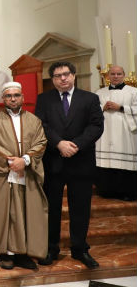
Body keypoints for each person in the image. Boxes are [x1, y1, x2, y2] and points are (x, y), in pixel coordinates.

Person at [35, 61, 104, 269]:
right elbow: (41, 125)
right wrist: (58, 143)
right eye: (57, 76)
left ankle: (80, 249)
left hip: (81, 161)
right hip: (53, 162)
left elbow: (96, 125)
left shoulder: (90, 98)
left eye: (66, 74)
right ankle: (50, 248)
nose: (62, 78)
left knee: (81, 208)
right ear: (53, 79)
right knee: (52, 208)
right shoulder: (44, 99)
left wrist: (76, 145)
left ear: (74, 75)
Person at [0, 81, 48, 270]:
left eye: (16, 95)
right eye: (8, 96)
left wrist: (26, 160)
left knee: (26, 212)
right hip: (4, 174)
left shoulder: (33, 120)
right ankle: (6, 253)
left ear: (23, 97)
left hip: (27, 173)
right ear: (3, 99)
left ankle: (23, 254)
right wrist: (12, 162)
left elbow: (41, 141)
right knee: (6, 213)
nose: (13, 99)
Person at [95, 65, 137, 201]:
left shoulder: (133, 92)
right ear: (108, 76)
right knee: (106, 163)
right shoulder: (99, 93)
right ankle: (107, 190)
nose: (116, 76)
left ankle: (127, 192)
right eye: (113, 74)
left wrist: (121, 107)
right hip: (105, 133)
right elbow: (91, 111)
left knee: (125, 163)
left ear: (124, 75)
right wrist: (103, 107)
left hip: (126, 133)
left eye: (119, 74)